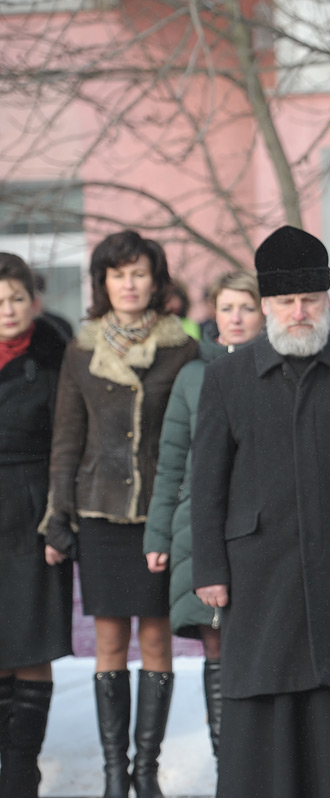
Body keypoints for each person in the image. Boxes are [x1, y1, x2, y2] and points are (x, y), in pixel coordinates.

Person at [191, 225, 330, 798]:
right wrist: (208, 568)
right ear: (266, 305)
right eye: (286, 301)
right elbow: (207, 483)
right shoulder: (225, 377)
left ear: (326, 300)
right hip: (257, 572)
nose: (298, 312)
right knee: (263, 700)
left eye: (309, 300)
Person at [41, 230, 198, 798]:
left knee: (156, 643)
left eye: (138, 273)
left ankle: (145, 772)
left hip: (160, 515)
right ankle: (114, 775)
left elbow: (188, 438)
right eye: (117, 274)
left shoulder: (183, 348)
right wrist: (58, 516)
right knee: (109, 643)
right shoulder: (79, 351)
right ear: (102, 283)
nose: (129, 284)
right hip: (101, 513)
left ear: (156, 281)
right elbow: (67, 440)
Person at [142, 271, 266, 760]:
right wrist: (158, 534)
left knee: (257, 645)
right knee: (215, 646)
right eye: (227, 307)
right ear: (213, 312)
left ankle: (261, 764)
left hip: (260, 528)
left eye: (246, 308)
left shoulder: (273, 368)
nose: (235, 318)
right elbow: (171, 460)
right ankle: (227, 763)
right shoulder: (193, 375)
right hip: (201, 529)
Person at [0, 253, 70, 798]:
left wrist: (58, 520)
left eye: (16, 298)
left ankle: (22, 772)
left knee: (31, 647)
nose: (7, 310)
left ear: (34, 303)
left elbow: (68, 446)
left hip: (34, 514)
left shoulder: (55, 357)